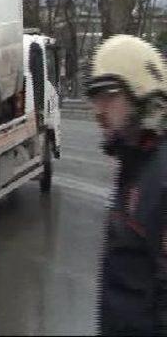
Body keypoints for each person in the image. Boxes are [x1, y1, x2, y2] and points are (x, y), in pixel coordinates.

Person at [85, 35, 167, 335]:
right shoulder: (135, 166)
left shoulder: (160, 177)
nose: (98, 111)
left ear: (140, 92)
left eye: (109, 96)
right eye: (95, 99)